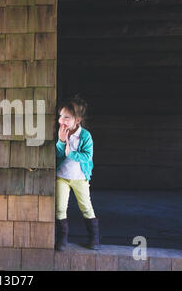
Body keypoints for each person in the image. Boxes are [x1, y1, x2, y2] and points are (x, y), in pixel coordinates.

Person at [55, 95, 100, 251]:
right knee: (60, 208)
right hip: (62, 176)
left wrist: (71, 153)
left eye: (67, 117)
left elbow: (87, 156)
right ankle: (62, 239)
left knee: (86, 207)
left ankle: (94, 239)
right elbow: (58, 154)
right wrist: (61, 141)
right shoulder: (62, 132)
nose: (62, 120)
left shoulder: (85, 136)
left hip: (80, 178)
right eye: (61, 116)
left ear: (78, 120)